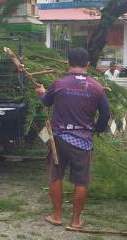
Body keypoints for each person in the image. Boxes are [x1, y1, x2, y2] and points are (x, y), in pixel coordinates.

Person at [36, 48, 111, 230]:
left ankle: (57, 215)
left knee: (56, 175)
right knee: (81, 181)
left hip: (59, 139)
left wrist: (41, 92)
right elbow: (105, 114)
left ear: (68, 63)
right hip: (83, 141)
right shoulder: (96, 87)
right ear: (87, 65)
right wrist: (97, 129)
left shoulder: (59, 84)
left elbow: (46, 101)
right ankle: (76, 221)